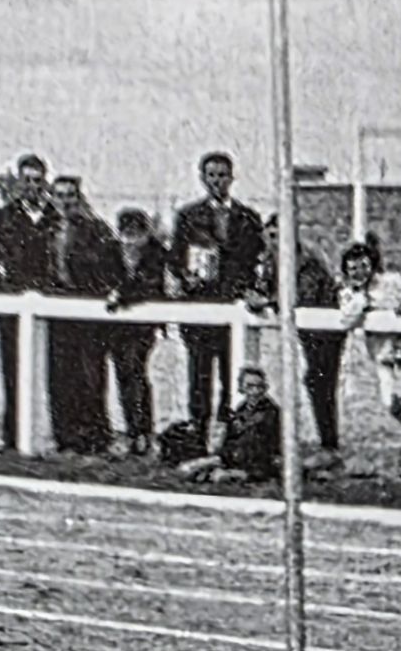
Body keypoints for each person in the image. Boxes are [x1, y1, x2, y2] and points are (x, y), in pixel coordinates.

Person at [169, 152, 267, 447]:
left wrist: (251, 289)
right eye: (211, 175)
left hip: (233, 307)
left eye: (222, 175)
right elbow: (175, 259)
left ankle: (231, 440)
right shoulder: (188, 216)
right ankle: (198, 438)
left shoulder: (248, 218)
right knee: (199, 377)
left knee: (231, 375)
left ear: (232, 178)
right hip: (200, 308)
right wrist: (186, 278)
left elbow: (257, 260)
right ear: (202, 178)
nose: (217, 181)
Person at [251, 216, 349, 467]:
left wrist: (270, 301)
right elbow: (265, 287)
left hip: (325, 326)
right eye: (270, 236)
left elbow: (306, 295)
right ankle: (323, 442)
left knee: (320, 381)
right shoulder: (270, 260)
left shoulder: (308, 260)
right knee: (314, 380)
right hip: (306, 329)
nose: (274, 242)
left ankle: (330, 445)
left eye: (278, 236)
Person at [0, 155, 59, 449]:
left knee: (56, 369)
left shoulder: (56, 216)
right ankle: (12, 434)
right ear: (18, 183)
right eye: (26, 180)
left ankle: (54, 433)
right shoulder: (4, 216)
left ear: (45, 183)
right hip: (13, 301)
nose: (32, 187)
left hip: (50, 301)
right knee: (12, 368)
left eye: (37, 181)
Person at [337, 241, 401, 477]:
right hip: (382, 354)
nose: (359, 272)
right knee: (391, 403)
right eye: (353, 268)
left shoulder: (392, 282)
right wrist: (362, 298)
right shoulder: (348, 294)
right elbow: (347, 319)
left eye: (363, 266)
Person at [47, 175, 120, 454]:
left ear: (78, 198)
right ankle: (65, 435)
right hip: (58, 311)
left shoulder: (96, 229)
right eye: (59, 195)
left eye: (70, 196)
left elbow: (107, 266)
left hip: (88, 312)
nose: (65, 202)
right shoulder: (48, 229)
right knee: (61, 374)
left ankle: (96, 435)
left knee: (91, 374)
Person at [107, 206, 170, 456]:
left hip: (143, 326)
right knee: (123, 374)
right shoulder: (112, 251)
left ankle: (144, 430)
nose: (131, 235)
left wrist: (124, 295)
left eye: (136, 229)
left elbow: (153, 285)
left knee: (136, 372)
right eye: (127, 229)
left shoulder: (156, 252)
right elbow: (104, 278)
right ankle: (133, 431)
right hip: (117, 326)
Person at [176, 366, 282, 485]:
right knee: (185, 469)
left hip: (253, 467)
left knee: (219, 477)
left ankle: (210, 476)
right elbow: (231, 439)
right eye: (250, 386)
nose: (255, 391)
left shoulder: (270, 412)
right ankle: (206, 475)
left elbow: (264, 447)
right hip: (230, 459)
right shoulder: (241, 409)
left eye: (260, 387)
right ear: (242, 388)